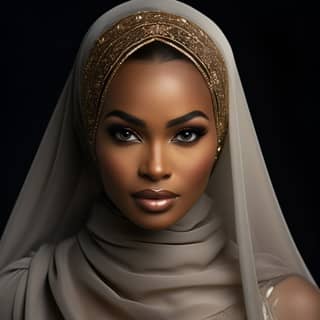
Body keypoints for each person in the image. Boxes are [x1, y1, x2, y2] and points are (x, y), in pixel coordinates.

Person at [1, 0, 319, 319]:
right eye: (125, 134)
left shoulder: (285, 307)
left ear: (220, 140)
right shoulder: (18, 298)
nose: (155, 168)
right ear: (90, 137)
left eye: (186, 135)